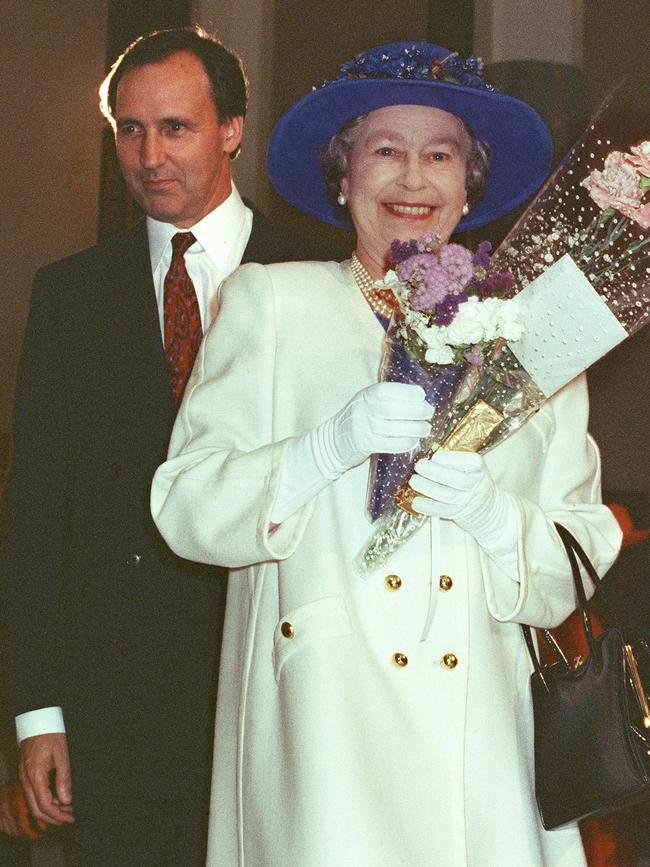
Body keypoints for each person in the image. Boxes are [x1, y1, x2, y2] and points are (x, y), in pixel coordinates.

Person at [151, 42, 622, 866]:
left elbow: (572, 567)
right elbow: (184, 506)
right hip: (323, 743)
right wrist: (322, 448)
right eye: (386, 152)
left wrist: (494, 515)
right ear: (345, 177)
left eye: (440, 155)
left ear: (468, 183)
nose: (413, 180)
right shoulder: (272, 302)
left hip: (484, 756)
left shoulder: (535, 338)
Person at [1, 25, 327, 867]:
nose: (149, 155)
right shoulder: (71, 295)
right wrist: (38, 715)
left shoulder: (317, 280)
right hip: (116, 711)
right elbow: (35, 515)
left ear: (232, 129)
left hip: (279, 693)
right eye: (130, 130)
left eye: (175, 127)